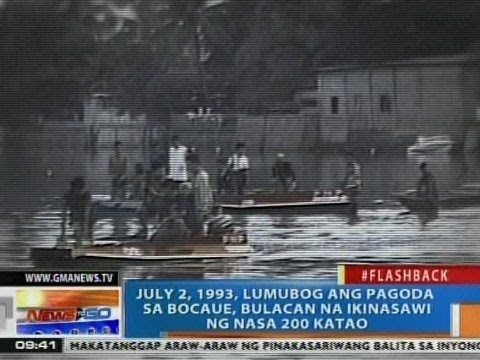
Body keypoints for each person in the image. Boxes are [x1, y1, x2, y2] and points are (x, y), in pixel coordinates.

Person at [63, 176, 94, 245]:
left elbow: (88, 209)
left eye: (81, 188)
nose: (79, 190)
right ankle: (79, 240)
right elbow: (64, 210)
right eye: (78, 188)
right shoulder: (69, 195)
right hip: (75, 216)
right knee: (78, 230)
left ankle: (86, 241)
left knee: (87, 234)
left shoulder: (86, 195)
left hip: (87, 217)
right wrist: (63, 231)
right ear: (73, 187)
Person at [190, 154, 214, 236]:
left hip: (202, 207)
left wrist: (204, 208)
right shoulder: (196, 176)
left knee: (201, 228)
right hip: (198, 206)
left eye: (190, 165)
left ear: (195, 164)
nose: (189, 168)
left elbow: (204, 193)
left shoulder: (202, 176)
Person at [342, 154, 362, 221]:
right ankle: (353, 215)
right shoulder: (356, 165)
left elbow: (349, 175)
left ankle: (352, 214)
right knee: (353, 201)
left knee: (353, 201)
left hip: (352, 186)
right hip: (354, 185)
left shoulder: (352, 165)